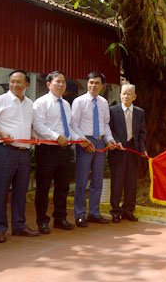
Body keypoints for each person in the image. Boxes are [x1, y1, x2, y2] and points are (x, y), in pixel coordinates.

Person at [0, 70, 40, 243]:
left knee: (21, 191)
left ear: (26, 84)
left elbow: (26, 123)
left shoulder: (29, 103)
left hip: (24, 152)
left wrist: (33, 133)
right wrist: (1, 133)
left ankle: (19, 225)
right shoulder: (0, 100)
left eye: (19, 82)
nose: (15, 85)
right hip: (5, 152)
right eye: (12, 81)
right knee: (1, 191)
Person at [32, 71, 87, 234]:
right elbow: (38, 126)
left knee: (63, 186)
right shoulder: (40, 103)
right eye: (58, 82)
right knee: (43, 187)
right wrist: (57, 137)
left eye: (63, 82)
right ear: (49, 84)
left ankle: (60, 218)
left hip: (64, 151)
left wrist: (79, 138)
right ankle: (42, 221)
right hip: (47, 150)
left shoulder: (66, 104)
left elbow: (69, 127)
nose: (61, 85)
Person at [71, 72, 117, 227]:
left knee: (97, 180)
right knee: (82, 181)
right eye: (91, 82)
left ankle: (94, 213)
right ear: (87, 83)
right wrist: (81, 140)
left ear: (102, 85)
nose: (93, 85)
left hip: (100, 143)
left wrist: (109, 139)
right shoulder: (79, 101)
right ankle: (79, 215)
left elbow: (105, 125)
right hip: (85, 142)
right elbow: (73, 125)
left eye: (97, 83)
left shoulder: (104, 102)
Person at [108, 83, 147, 223]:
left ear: (134, 96)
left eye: (128, 94)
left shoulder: (139, 112)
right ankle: (115, 211)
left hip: (133, 151)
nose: (125, 96)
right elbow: (110, 130)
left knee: (131, 183)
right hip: (118, 150)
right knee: (117, 182)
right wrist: (116, 141)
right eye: (123, 93)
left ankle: (128, 210)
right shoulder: (112, 110)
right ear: (120, 95)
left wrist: (142, 149)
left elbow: (142, 133)